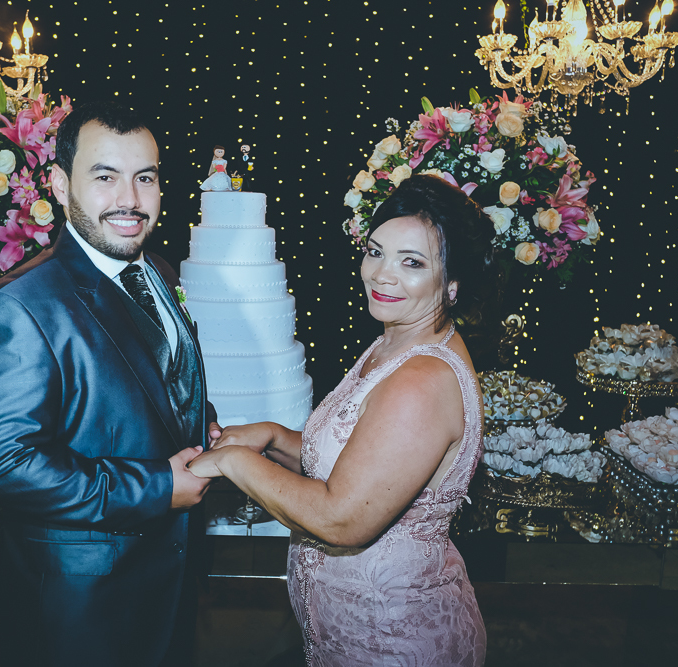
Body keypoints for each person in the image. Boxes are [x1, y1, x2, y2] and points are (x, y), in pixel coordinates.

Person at [188, 174, 494, 665]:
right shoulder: (396, 340)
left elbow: (342, 518)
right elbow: (362, 459)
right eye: (376, 252)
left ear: (453, 283)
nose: (381, 274)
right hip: (345, 638)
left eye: (411, 262)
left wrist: (235, 463)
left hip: (395, 643)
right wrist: (274, 437)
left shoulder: (424, 380)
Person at [0, 100, 222, 666]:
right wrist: (155, 488)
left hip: (165, 582)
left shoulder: (158, 271)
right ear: (59, 183)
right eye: (105, 178)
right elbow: (1, 464)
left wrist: (201, 421)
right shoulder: (16, 306)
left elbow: (149, 381)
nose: (129, 200)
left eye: (144, 178)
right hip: (81, 608)